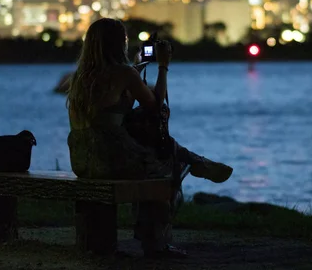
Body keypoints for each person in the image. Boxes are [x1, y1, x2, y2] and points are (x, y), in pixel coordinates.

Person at [66, 18, 233, 258]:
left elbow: (111, 103)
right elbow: (155, 106)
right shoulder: (123, 73)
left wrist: (138, 66)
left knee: (159, 150)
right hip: (111, 158)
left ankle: (198, 163)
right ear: (118, 44)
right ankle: (156, 243)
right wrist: (163, 66)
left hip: (82, 160)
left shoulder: (80, 77)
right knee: (166, 169)